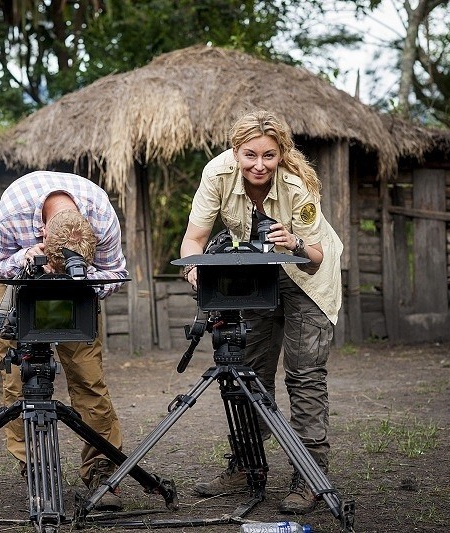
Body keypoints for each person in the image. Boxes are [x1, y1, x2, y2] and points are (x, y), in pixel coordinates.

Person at [179, 110, 343, 515]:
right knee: (246, 371)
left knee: (304, 375)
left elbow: (316, 259)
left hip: (309, 279)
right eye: (250, 154)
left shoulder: (298, 184)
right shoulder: (217, 175)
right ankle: (248, 466)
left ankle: (309, 477)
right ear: (235, 151)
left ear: (281, 154)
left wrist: (295, 243)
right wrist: (196, 269)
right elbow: (193, 240)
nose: (258, 165)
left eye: (269, 156)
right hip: (254, 276)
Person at [0, 170, 127, 510]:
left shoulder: (102, 215)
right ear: (43, 230)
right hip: (20, 284)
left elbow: (116, 271)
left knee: (88, 379)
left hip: (79, 289)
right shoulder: (13, 209)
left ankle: (102, 472)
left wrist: (86, 280)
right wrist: (27, 258)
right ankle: (34, 468)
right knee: (20, 381)